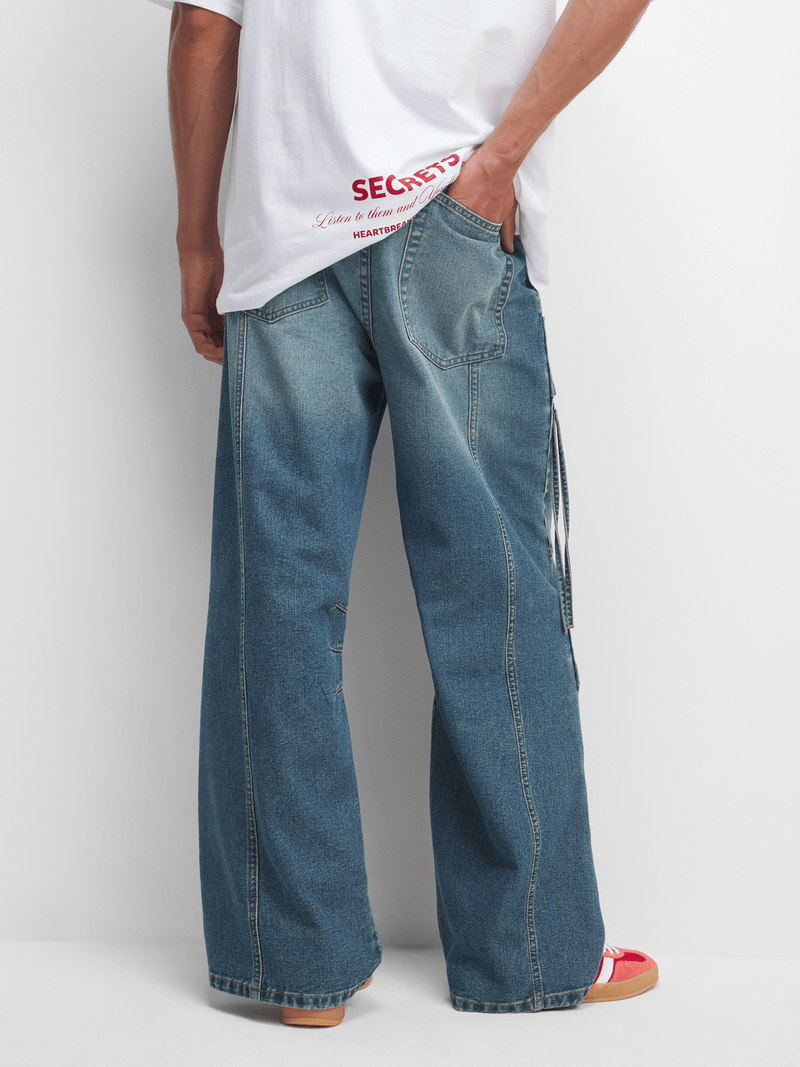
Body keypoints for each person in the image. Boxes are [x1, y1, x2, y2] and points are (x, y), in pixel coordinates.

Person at [150, 0, 658, 1026]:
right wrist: (497, 162)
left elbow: (204, 26)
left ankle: (297, 965)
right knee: (497, 594)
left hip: (286, 230)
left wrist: (197, 232)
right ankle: (528, 952)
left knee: (277, 599)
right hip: (452, 206)